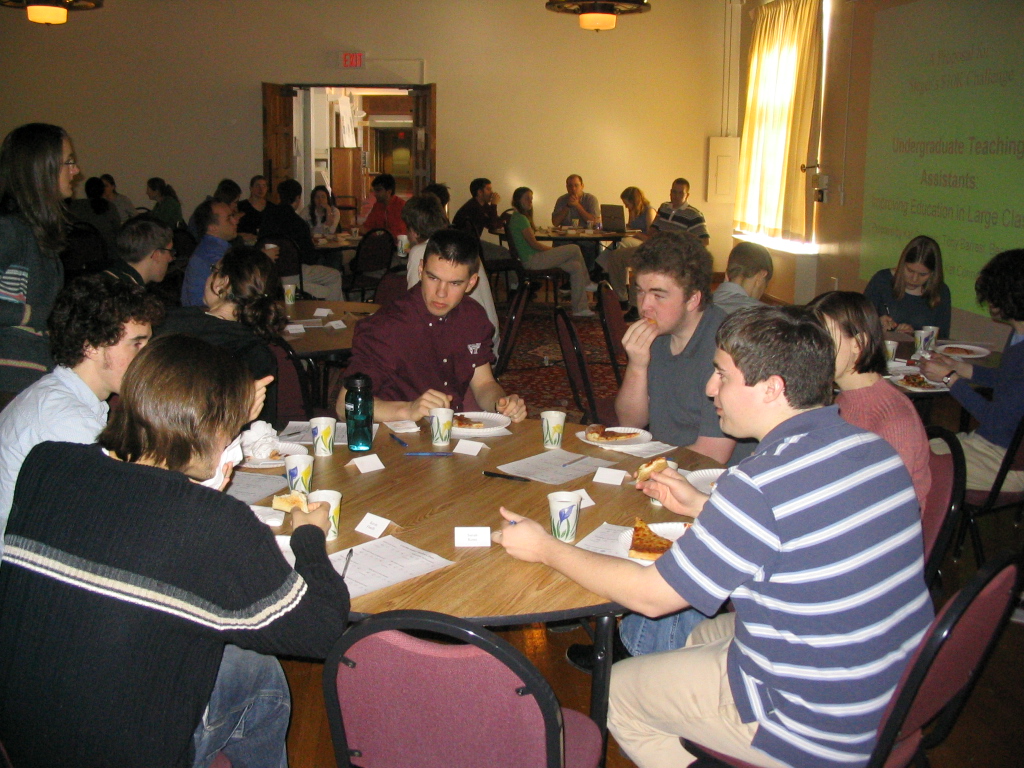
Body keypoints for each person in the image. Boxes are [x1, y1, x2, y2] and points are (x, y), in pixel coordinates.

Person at [496, 305, 933, 768]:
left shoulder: (759, 484)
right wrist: (704, 505)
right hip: (897, 685)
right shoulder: (872, 447)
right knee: (700, 634)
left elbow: (650, 597)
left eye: (722, 375)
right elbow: (797, 528)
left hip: (822, 723)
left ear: (772, 388)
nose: (710, 388)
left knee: (616, 692)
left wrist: (546, 548)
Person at [0, 334, 349, 767]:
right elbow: (322, 631)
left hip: (18, 738)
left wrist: (197, 487)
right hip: (123, 756)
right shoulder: (213, 522)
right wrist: (308, 537)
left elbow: (131, 528)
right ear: (214, 431)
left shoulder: (46, 463)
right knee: (262, 677)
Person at [0, 274, 163, 553]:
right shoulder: (66, 421)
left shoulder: (61, 395)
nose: (147, 358)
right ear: (91, 346)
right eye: (136, 344)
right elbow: (126, 513)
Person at [339, 228, 527, 424]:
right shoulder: (388, 326)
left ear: (471, 283)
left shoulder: (472, 316)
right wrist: (408, 409)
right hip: (396, 434)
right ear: (421, 270)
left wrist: (500, 404)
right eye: (433, 278)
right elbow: (344, 405)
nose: (441, 293)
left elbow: (484, 384)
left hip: (451, 432)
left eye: (455, 283)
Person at [615, 231, 736, 463]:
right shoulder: (659, 333)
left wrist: (646, 468)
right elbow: (630, 423)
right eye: (640, 292)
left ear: (692, 300)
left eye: (658, 296)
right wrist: (637, 366)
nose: (644, 307)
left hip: (709, 476)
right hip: (666, 464)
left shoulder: (726, 349)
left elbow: (713, 454)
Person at [808, 290, 931, 510]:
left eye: (823, 340)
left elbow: (888, 509)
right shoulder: (843, 400)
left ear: (858, 343)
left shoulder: (893, 421)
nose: (811, 351)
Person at [921, 249, 1024, 492]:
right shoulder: (1019, 334)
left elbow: (997, 421)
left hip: (1007, 462)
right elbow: (1010, 382)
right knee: (912, 447)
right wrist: (960, 367)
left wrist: (950, 379)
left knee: (912, 461)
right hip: (991, 444)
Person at [159, 245, 283, 424]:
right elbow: (260, 427)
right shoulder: (257, 353)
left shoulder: (164, 321)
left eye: (213, 270)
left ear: (221, 283)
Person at [0, 123, 72, 394]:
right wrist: (35, 314)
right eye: (69, 162)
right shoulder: (10, 228)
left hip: (32, 366)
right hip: (11, 373)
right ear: (41, 169)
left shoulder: (34, 230)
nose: (76, 170)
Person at [403, 193, 499, 348]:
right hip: (488, 339)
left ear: (413, 230)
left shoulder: (422, 253)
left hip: (467, 345)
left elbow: (415, 308)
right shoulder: (461, 247)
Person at [507, 186, 596, 318]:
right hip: (532, 261)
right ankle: (587, 283)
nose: (530, 202)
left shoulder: (519, 217)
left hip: (535, 258)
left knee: (576, 266)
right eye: (526, 199)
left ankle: (580, 309)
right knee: (574, 248)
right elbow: (534, 245)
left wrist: (555, 253)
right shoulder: (520, 218)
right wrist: (554, 251)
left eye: (531, 199)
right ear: (517, 200)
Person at [260, 178, 343, 301]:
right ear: (298, 198)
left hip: (271, 272)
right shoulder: (298, 223)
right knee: (335, 275)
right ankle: (333, 308)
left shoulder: (267, 217)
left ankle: (319, 299)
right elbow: (309, 257)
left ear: (280, 196)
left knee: (323, 286)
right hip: (294, 271)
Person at [864, 235, 951, 337]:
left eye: (923, 274)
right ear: (902, 264)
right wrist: (877, 325)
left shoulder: (941, 292)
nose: (914, 279)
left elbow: (942, 337)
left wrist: (913, 335)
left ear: (933, 273)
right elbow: (858, 325)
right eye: (910, 270)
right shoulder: (882, 281)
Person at [181, 199, 237, 306]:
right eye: (229, 218)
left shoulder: (211, 247)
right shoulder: (211, 254)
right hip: (203, 312)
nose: (235, 221)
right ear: (212, 227)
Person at [451, 177, 511, 265]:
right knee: (503, 252)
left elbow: (494, 222)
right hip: (465, 246)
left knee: (503, 252)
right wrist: (494, 205)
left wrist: (505, 217)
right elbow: (492, 225)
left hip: (472, 243)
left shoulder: (483, 205)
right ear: (480, 192)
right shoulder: (473, 207)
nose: (492, 193)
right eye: (488, 189)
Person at [104, 214, 175, 286]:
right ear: (157, 254)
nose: (171, 259)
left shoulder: (106, 278)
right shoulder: (130, 291)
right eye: (170, 252)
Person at [712, 242, 774, 315]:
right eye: (765, 287)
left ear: (726, 274)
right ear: (761, 276)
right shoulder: (765, 316)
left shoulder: (702, 302)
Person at [68, 176, 121, 254]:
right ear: (102, 190)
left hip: (82, 251)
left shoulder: (75, 206)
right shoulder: (110, 207)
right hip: (107, 251)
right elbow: (117, 229)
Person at [651, 177, 709, 245]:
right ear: (670, 192)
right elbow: (653, 229)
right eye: (674, 192)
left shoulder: (694, 215)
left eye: (681, 193)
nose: (676, 196)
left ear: (687, 195)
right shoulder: (663, 208)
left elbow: (705, 241)